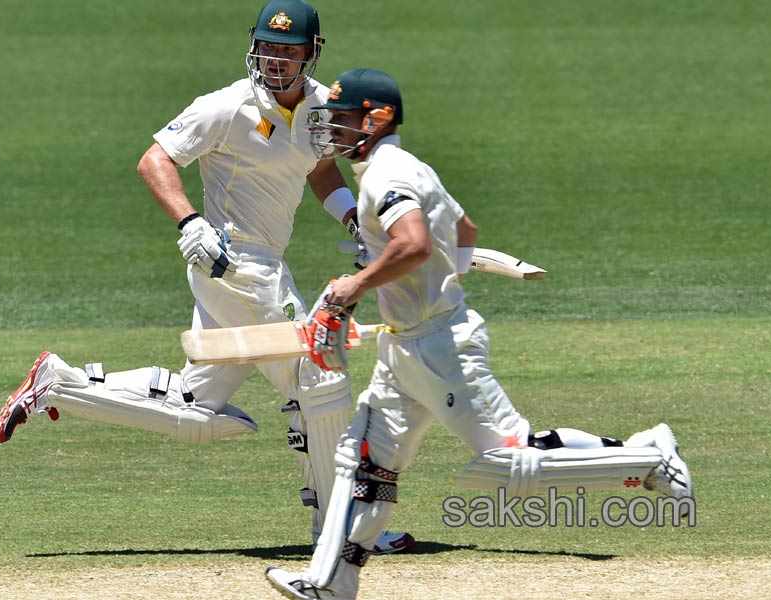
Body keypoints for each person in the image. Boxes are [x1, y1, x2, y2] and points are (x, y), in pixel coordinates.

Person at [0, 1, 412, 555]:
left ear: (312, 53)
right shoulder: (227, 106)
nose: (276, 59)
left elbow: (319, 166)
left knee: (196, 405)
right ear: (253, 46)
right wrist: (190, 223)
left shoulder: (317, 108)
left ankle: (60, 383)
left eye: (288, 50)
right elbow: (155, 159)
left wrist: (352, 216)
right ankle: (343, 531)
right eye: (268, 46)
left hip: (256, 266)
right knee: (319, 380)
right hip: (235, 263)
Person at [265, 68, 694, 600]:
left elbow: (416, 243)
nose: (333, 131)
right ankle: (331, 584)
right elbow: (463, 232)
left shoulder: (384, 176)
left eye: (344, 120)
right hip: (404, 345)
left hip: (442, 348)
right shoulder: (403, 166)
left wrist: (353, 285)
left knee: (505, 461)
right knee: (363, 461)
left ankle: (647, 457)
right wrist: (441, 275)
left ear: (377, 119)